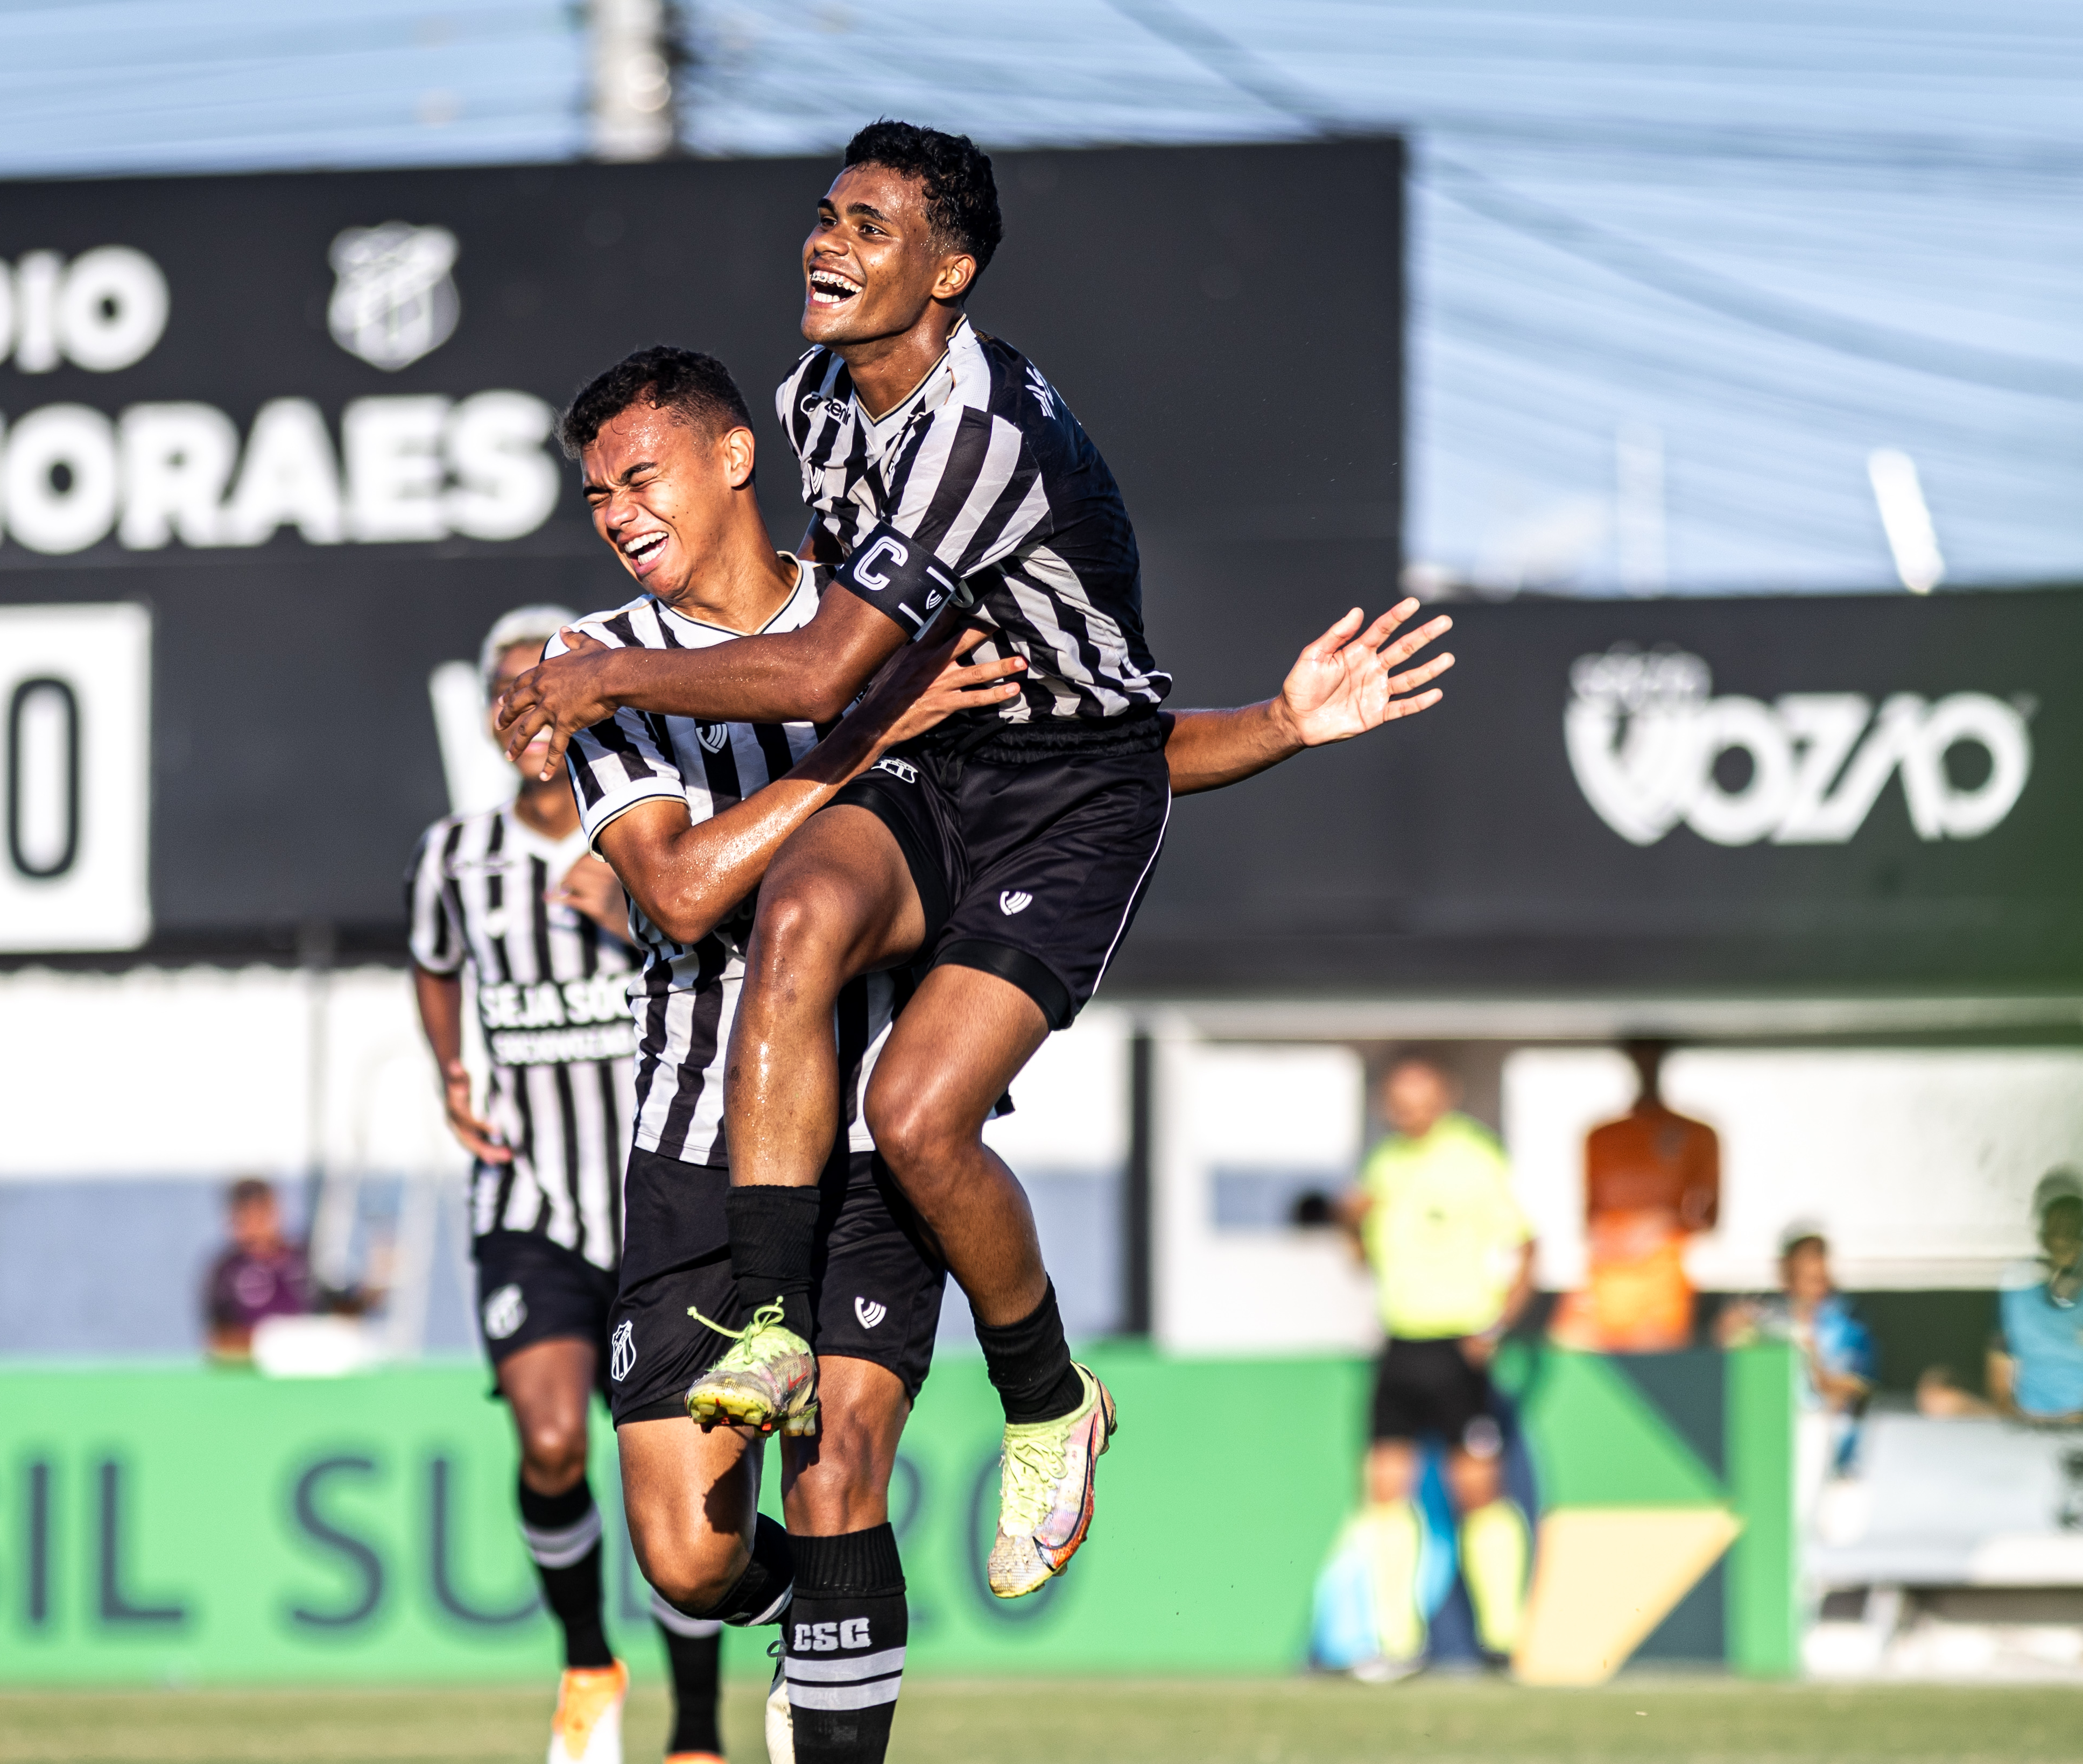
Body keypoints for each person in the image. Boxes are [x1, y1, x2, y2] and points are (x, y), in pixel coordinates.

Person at [544, 342, 1448, 1764]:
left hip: (865, 1162)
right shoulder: (602, 662)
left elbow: (1100, 756)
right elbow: (678, 898)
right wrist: (854, 733)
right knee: (686, 1552)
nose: (616, 513)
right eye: (595, 489)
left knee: (842, 1478)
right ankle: (797, 1624)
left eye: (643, 474)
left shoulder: (893, 596)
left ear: (736, 455)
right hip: (694, 1143)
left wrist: (1283, 725)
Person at [502, 128, 1426, 1628]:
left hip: (1071, 800)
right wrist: (628, 673)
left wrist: (602, 673)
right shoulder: (815, 398)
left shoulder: (976, 433)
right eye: (824, 214)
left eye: (870, 226)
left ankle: (1049, 1402)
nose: (829, 243)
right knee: (799, 906)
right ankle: (765, 1324)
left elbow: (833, 669)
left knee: (916, 1113)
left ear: (948, 271)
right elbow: (830, 692)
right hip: (955, 762)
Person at [406, 604, 740, 1764]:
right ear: (496, 721)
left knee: (688, 1508)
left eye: (548, 684)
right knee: (552, 1439)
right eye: (509, 691)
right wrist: (451, 1069)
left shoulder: (653, 836)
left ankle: (698, 1745)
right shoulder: (452, 860)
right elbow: (435, 963)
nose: (528, 707)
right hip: (531, 1202)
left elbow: (734, 949)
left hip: (660, 1204)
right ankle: (587, 1660)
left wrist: (647, 911)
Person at [1334, 1055, 1536, 1680]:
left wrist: (1496, 1326)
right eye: (1397, 1100)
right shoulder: (1384, 1164)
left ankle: (1502, 1638)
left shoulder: (1474, 1159)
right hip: (1399, 1342)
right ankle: (1397, 1640)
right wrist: (1350, 1227)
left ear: (1443, 1098)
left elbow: (1525, 1246)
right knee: (1384, 1488)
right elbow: (1361, 1249)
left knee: (1476, 1490)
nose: (1407, 1111)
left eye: (1418, 1099)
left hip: (1457, 1344)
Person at [1550, 1039, 1720, 1353]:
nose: (1646, 1068)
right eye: (1640, 1059)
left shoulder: (1697, 1134)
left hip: (1660, 1281)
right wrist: (1611, 1236)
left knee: (1652, 1373)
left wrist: (1662, 1225)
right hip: (1606, 1277)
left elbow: (1709, 1217)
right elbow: (1590, 1216)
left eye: (1653, 1059)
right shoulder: (1601, 1136)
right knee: (1570, 1353)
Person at [1988, 1170, 2083, 1423]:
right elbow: (2000, 1392)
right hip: (2028, 1425)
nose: (2064, 1237)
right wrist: (2030, 1423)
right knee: (1939, 1398)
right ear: (2043, 1237)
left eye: (2073, 1229)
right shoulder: (2014, 1297)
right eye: (2056, 1228)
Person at [1719, 1226, 1879, 1452]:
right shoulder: (1770, 1324)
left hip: (1834, 1448)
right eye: (1810, 1280)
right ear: (1787, 1279)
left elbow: (1857, 1388)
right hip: (1773, 1448)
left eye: (1824, 1279)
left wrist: (1813, 1361)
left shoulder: (1850, 1326)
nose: (1821, 1288)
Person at [200, 1178, 367, 1363]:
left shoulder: (306, 1258)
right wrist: (269, 1343)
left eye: (262, 1213)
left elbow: (343, 1310)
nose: (256, 1224)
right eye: (247, 1215)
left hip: (310, 1366)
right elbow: (219, 1342)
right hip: (257, 1372)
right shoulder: (226, 1272)